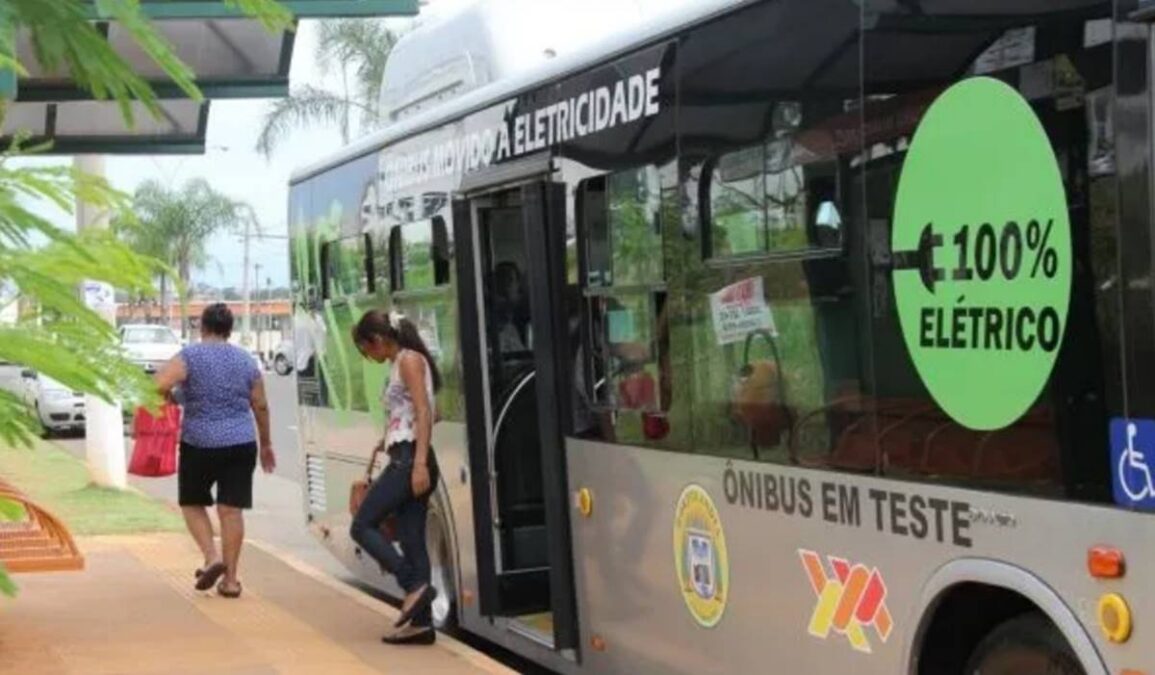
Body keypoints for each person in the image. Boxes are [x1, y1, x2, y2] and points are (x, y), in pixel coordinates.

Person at [155, 303, 275, 598]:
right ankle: (231, 581)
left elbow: (159, 384)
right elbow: (259, 404)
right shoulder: (246, 361)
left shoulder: (190, 356)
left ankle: (212, 557)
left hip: (200, 442)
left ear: (203, 327)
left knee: (192, 502)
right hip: (240, 443)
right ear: (229, 329)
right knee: (230, 510)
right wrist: (266, 444)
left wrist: (171, 397)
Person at [349, 309, 442, 645]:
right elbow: (430, 411)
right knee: (411, 536)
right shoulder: (404, 361)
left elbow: (425, 410)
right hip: (407, 454)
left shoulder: (407, 361)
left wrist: (418, 463)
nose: (368, 356)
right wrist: (391, 434)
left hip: (410, 461)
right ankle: (422, 624)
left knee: (361, 525)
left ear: (377, 340)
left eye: (365, 349)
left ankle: (413, 586)